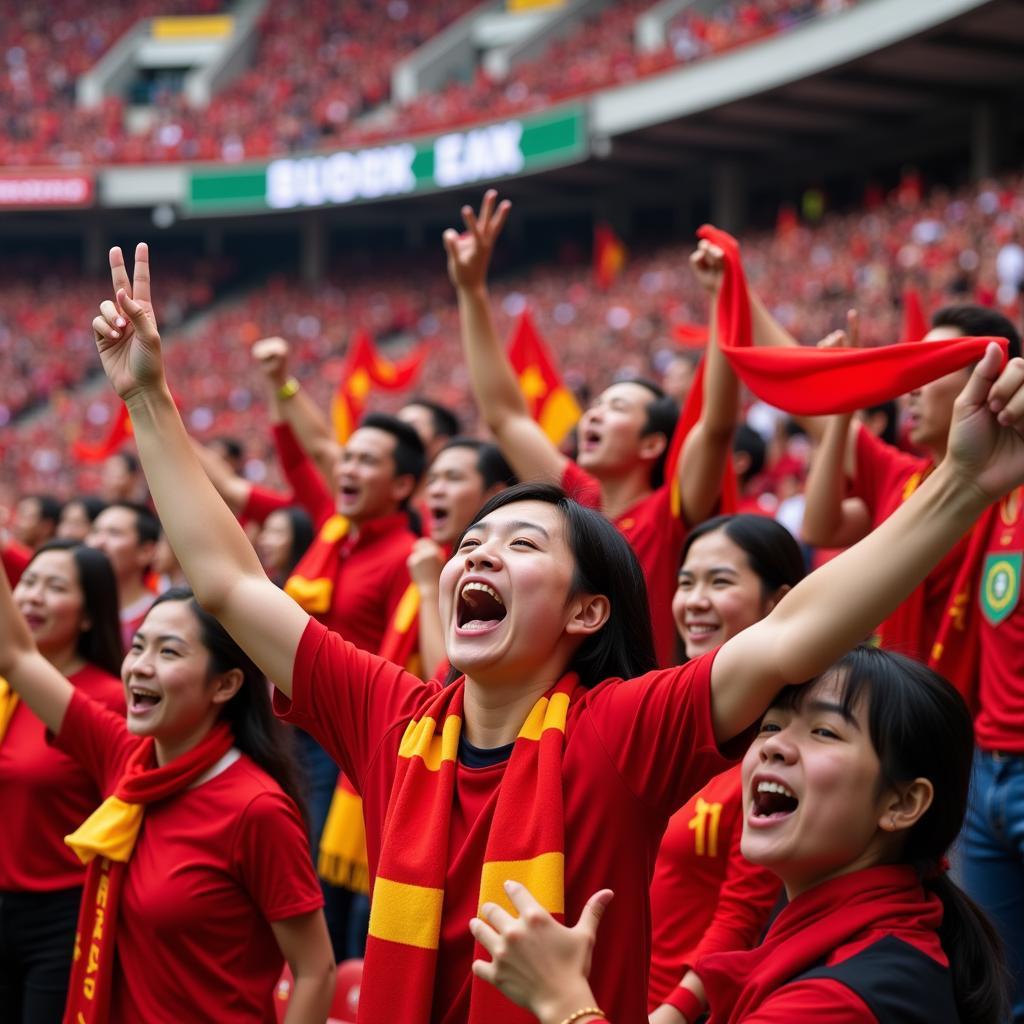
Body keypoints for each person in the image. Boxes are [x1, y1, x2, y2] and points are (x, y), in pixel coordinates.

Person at [91, 238, 1024, 1024]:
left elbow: (794, 635)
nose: (479, 557)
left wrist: (961, 488)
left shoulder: (621, 732)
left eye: (522, 543)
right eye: (472, 542)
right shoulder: (391, 715)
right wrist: (146, 397)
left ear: (587, 612)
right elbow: (224, 580)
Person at [473, 648, 1008, 1024]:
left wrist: (563, 1000)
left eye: (824, 731)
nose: (773, 747)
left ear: (902, 803)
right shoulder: (853, 942)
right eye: (771, 726)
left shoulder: (848, 995)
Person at [0, 577, 336, 1023]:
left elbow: (316, 971)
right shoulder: (126, 759)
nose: (139, 666)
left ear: (226, 684)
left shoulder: (256, 808)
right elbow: (17, 657)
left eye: (169, 652)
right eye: (137, 647)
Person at [446, 193, 738, 667]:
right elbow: (506, 415)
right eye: (596, 406)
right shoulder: (577, 499)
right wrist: (472, 290)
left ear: (652, 443)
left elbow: (717, 424)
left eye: (617, 407)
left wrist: (723, 300)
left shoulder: (671, 512)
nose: (594, 416)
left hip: (642, 712)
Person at [800, 304, 1021, 660]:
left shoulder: (1011, 495)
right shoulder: (902, 477)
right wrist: (844, 399)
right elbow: (819, 528)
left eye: (933, 369)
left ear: (988, 379)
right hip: (897, 706)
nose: (913, 389)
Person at [648, 515, 801, 1022]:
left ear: (777, 603)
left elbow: (742, 915)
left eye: (720, 581)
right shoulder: (654, 717)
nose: (694, 601)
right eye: (686, 582)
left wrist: (673, 1014)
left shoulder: (779, 751)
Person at [0, 540, 124, 1023]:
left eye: (53, 587)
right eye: (27, 582)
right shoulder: (4, 688)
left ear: (89, 615)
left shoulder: (109, 702)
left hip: (64, 920)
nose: (32, 597)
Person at [407, 438, 516, 677]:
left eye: (453, 478)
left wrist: (428, 589)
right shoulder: (426, 557)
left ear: (494, 494)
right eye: (432, 479)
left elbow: (446, 680)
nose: (435, 490)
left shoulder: (497, 572)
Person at [85, 500, 159, 648]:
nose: (97, 542)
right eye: (95, 531)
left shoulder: (158, 616)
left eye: (114, 533)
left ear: (145, 552)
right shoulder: (73, 607)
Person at [256, 507, 315, 588]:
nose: (263, 540)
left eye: (276, 532)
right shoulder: (269, 587)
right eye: (265, 530)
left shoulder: (311, 587)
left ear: (298, 538)